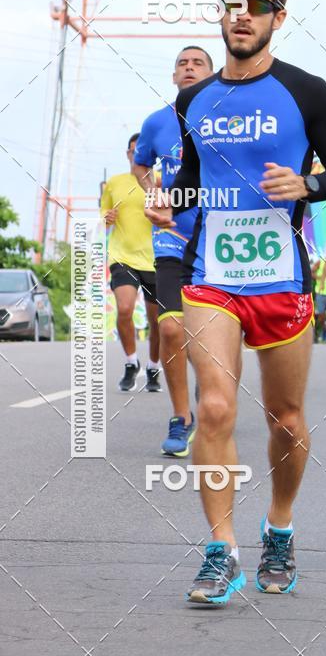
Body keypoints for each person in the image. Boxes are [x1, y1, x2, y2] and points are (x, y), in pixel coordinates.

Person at [146, 0, 326, 605]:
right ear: (221, 13)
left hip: (282, 278)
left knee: (287, 421)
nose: (242, 17)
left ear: (278, 16)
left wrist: (309, 184)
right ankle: (221, 551)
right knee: (214, 405)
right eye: (231, 5)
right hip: (213, 276)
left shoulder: (306, 91)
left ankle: (280, 528)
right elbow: (189, 183)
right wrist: (172, 205)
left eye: (256, 6)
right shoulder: (194, 100)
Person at [133, 47, 214, 456]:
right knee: (169, 328)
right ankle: (181, 419)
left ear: (213, 74)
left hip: (220, 240)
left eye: (198, 63)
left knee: (213, 335)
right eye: (182, 62)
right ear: (173, 75)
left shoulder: (230, 119)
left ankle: (210, 402)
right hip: (171, 240)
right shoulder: (156, 122)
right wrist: (155, 195)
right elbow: (140, 163)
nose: (188, 67)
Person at [101, 133, 160, 392]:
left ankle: (153, 367)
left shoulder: (160, 182)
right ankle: (130, 362)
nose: (137, 154)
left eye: (142, 150)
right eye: (133, 150)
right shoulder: (114, 183)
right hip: (122, 256)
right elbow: (103, 214)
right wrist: (108, 217)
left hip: (156, 259)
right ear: (127, 154)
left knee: (157, 320)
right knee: (124, 309)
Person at [311, 254, 326, 343]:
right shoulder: (321, 260)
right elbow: (312, 271)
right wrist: (318, 277)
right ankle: (321, 332)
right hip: (321, 292)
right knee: (321, 317)